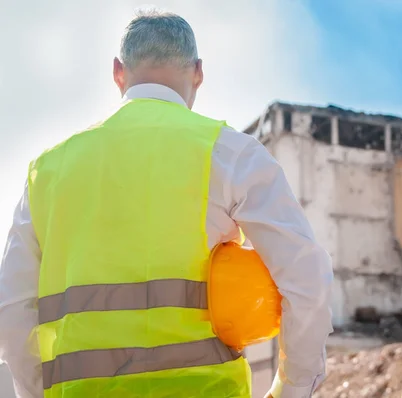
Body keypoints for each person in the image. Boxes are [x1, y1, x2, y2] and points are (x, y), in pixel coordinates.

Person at [0, 9, 333, 398]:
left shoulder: (48, 171)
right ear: (198, 73)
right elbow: (307, 279)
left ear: (117, 72)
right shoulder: (232, 154)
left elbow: (12, 308)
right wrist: (291, 389)